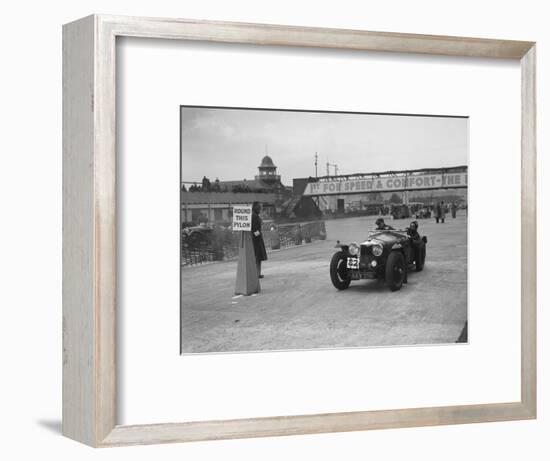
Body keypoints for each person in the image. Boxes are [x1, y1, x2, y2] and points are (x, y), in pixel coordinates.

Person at [251, 202, 267, 278]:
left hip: (257, 238)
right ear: (256, 208)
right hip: (256, 240)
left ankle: (258, 273)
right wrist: (258, 235)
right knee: (257, 257)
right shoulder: (254, 216)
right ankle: (257, 274)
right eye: (259, 207)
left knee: (258, 257)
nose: (260, 209)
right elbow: (254, 230)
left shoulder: (255, 216)